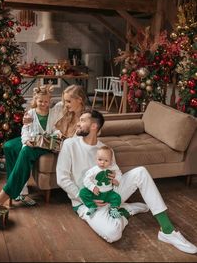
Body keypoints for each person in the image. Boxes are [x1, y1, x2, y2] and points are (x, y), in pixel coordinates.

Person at [56, 109, 197, 254]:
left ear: (94, 126)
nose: (78, 124)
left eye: (82, 120)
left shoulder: (106, 150)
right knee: (113, 234)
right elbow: (62, 178)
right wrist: (85, 198)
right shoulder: (70, 144)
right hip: (85, 203)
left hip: (110, 194)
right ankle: (126, 210)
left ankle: (167, 230)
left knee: (141, 172)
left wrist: (115, 179)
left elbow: (118, 176)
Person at [0, 84, 87, 210]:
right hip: (41, 138)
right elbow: (42, 106)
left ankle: (5, 195)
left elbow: (78, 143)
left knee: (26, 151)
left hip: (52, 145)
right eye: (65, 100)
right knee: (9, 146)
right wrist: (26, 121)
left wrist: (58, 141)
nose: (65, 104)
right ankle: (19, 189)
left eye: (68, 101)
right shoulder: (61, 108)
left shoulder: (85, 119)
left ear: (79, 100)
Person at [79, 146, 123, 218]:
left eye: (106, 161)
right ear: (96, 159)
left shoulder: (113, 167)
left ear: (111, 161)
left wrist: (117, 180)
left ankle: (113, 210)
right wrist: (93, 187)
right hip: (96, 193)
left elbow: (119, 173)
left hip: (108, 193)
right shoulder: (93, 170)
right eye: (100, 159)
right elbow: (86, 180)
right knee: (82, 192)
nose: (102, 162)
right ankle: (92, 206)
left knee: (117, 197)